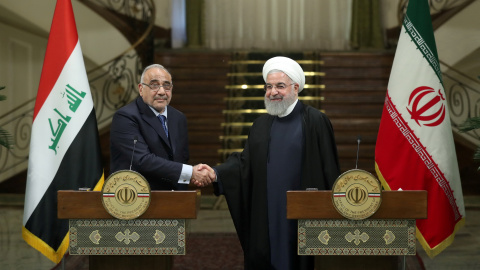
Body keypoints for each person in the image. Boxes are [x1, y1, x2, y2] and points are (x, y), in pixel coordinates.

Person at [197, 56, 340, 269]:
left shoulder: (315, 121)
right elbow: (244, 165)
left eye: (280, 86)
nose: (273, 92)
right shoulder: (260, 125)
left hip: (303, 216)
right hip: (266, 214)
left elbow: (330, 170)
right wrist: (216, 173)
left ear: (296, 88)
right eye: (269, 87)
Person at [110, 64, 213, 190]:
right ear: (141, 89)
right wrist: (191, 172)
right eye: (154, 85)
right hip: (137, 198)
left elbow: (182, 159)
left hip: (175, 199)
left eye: (166, 85)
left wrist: (191, 175)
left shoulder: (178, 118)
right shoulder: (125, 117)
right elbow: (143, 160)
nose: (162, 91)